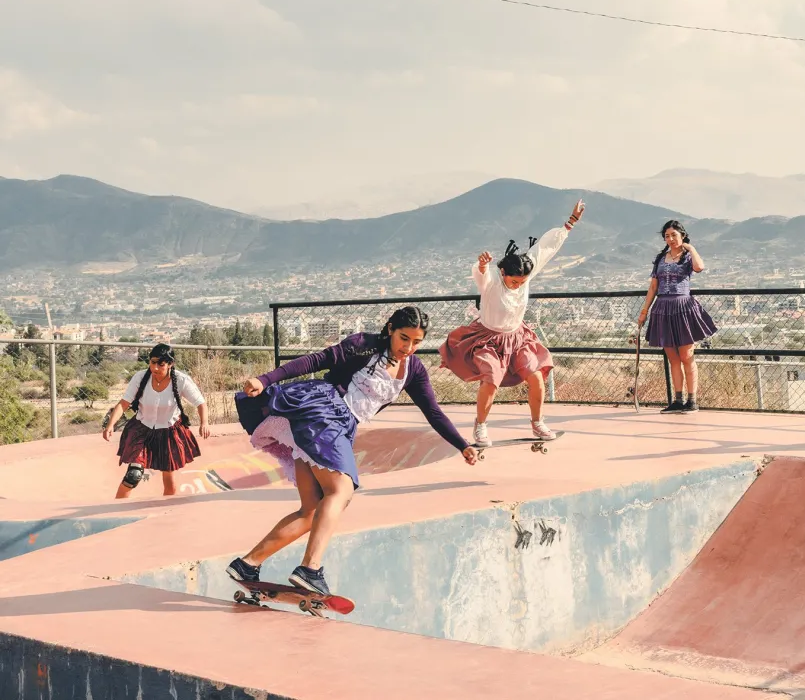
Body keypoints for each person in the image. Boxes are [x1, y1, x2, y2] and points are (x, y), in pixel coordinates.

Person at [227, 306, 476, 596]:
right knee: (341, 491)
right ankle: (310, 569)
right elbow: (316, 360)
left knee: (312, 512)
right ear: (390, 329)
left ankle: (248, 563)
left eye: (416, 342)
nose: (408, 347)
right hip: (324, 411)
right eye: (403, 338)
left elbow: (433, 412)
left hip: (339, 426)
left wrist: (463, 445)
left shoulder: (414, 370)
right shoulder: (364, 346)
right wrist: (266, 379)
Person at [440, 200, 585, 447]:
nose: (519, 284)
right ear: (504, 273)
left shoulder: (525, 271)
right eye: (514, 281)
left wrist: (571, 222)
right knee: (491, 379)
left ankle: (538, 423)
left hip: (518, 337)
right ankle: (481, 426)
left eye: (522, 281)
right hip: (487, 338)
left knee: (536, 376)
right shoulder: (492, 281)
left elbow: (544, 249)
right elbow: (480, 273)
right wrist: (483, 265)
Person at [101, 343, 209, 498]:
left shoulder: (181, 380)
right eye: (152, 362)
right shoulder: (140, 378)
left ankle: (168, 512)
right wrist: (110, 425)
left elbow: (201, 403)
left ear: (171, 364)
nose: (155, 368)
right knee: (133, 475)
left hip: (168, 432)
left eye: (161, 364)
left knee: (168, 479)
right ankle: (114, 510)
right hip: (142, 430)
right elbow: (124, 403)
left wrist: (204, 423)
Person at [638, 220, 716, 413]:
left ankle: (692, 400)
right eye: (667, 236)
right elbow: (654, 287)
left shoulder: (688, 256)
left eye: (674, 235)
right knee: (672, 358)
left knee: (687, 356)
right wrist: (644, 311)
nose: (670, 239)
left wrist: (690, 247)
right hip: (663, 307)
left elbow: (699, 267)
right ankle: (677, 400)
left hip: (683, 307)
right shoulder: (660, 259)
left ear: (682, 235)